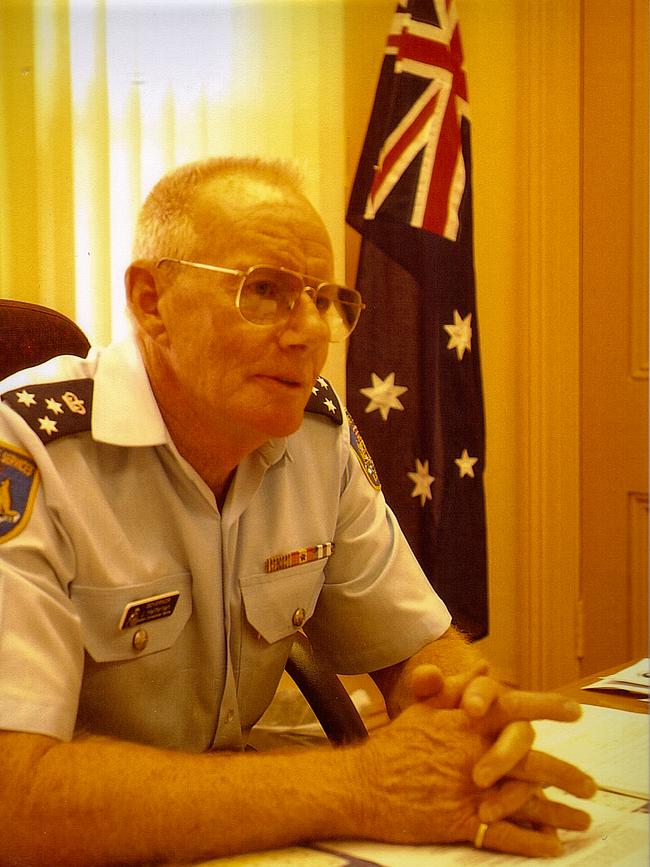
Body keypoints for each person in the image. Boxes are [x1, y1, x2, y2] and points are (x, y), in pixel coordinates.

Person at [0, 157, 595, 867]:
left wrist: (468, 713)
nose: (309, 330)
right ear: (151, 300)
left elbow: (414, 647)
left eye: (327, 300)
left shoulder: (313, 432)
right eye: (267, 291)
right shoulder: (29, 450)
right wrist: (366, 785)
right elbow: (14, 797)